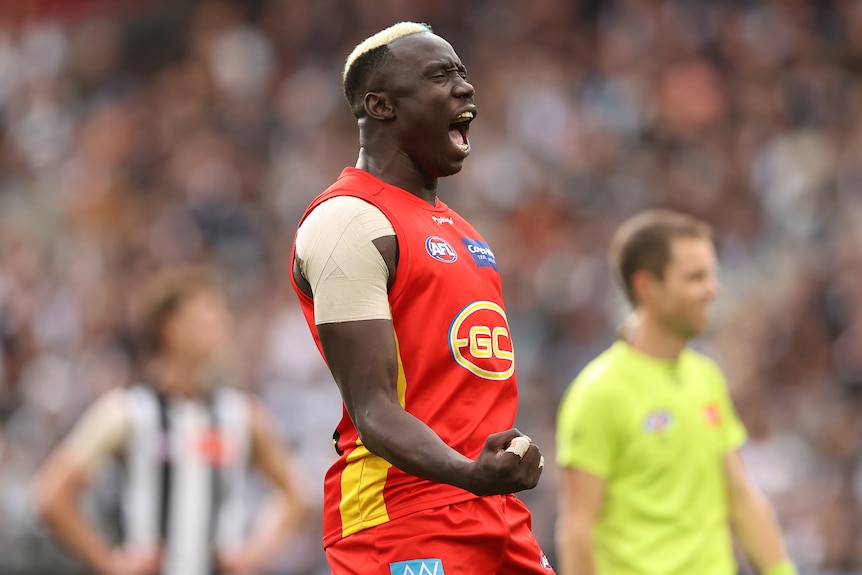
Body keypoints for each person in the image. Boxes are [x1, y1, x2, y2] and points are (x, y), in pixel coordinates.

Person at [290, 21, 553, 575]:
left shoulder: (466, 234)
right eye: (439, 75)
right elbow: (374, 411)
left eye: (462, 72)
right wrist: (469, 473)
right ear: (380, 105)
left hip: (494, 515)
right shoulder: (348, 222)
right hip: (402, 515)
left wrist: (492, 472)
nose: (465, 87)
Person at [555, 209, 797, 575]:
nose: (712, 289)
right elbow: (577, 532)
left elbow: (741, 499)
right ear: (647, 287)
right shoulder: (598, 393)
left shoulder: (706, 377)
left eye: (711, 275)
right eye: (696, 277)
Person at [32, 266, 309, 575]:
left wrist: (253, 555)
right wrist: (109, 562)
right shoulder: (127, 412)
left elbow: (296, 496)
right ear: (169, 327)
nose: (221, 329)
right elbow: (51, 496)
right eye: (206, 319)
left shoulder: (241, 414)